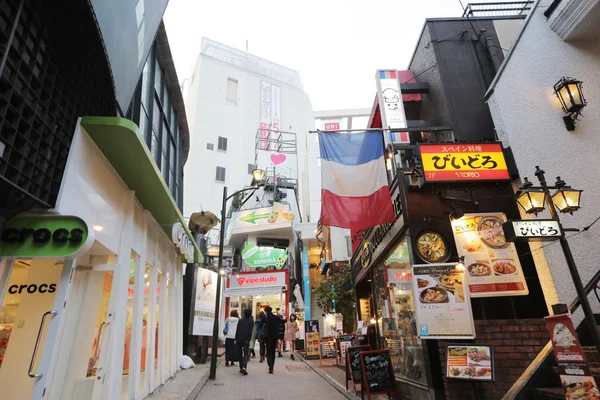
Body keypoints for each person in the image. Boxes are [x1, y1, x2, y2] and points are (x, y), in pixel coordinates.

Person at [264, 306, 285, 374]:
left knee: (268, 351)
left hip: (267, 337)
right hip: (274, 336)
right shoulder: (275, 317)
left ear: (266, 311)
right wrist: (286, 320)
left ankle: (270, 366)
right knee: (273, 351)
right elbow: (281, 322)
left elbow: (261, 325)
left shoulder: (265, 317)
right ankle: (272, 365)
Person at [235, 308, 254, 375]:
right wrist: (248, 340)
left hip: (239, 339)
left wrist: (236, 339)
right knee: (246, 354)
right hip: (246, 340)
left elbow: (237, 330)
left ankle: (241, 367)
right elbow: (250, 332)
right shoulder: (251, 322)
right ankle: (244, 367)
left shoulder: (240, 321)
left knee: (240, 353)